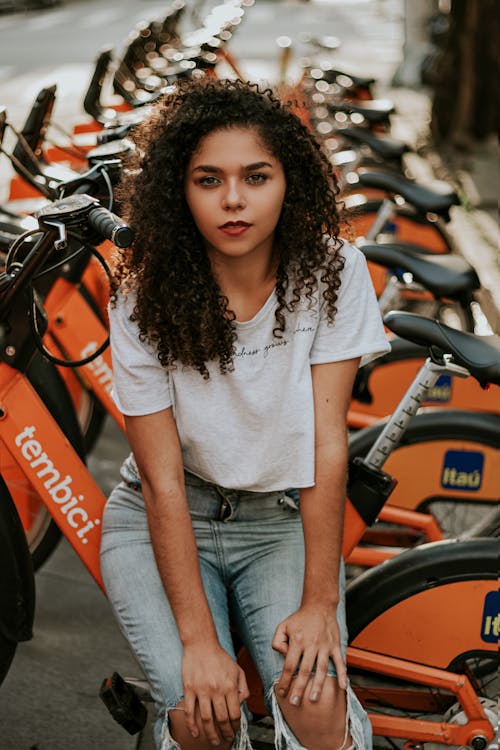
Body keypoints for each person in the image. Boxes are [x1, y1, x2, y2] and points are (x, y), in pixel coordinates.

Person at [100, 77, 390, 750]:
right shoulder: (143, 298)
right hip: (162, 520)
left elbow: (325, 448)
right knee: (207, 718)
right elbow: (164, 480)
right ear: (181, 189)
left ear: (288, 181)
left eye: (255, 176)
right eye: (209, 180)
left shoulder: (334, 272)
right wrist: (199, 644)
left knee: (316, 711)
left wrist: (320, 605)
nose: (234, 200)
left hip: (277, 523)